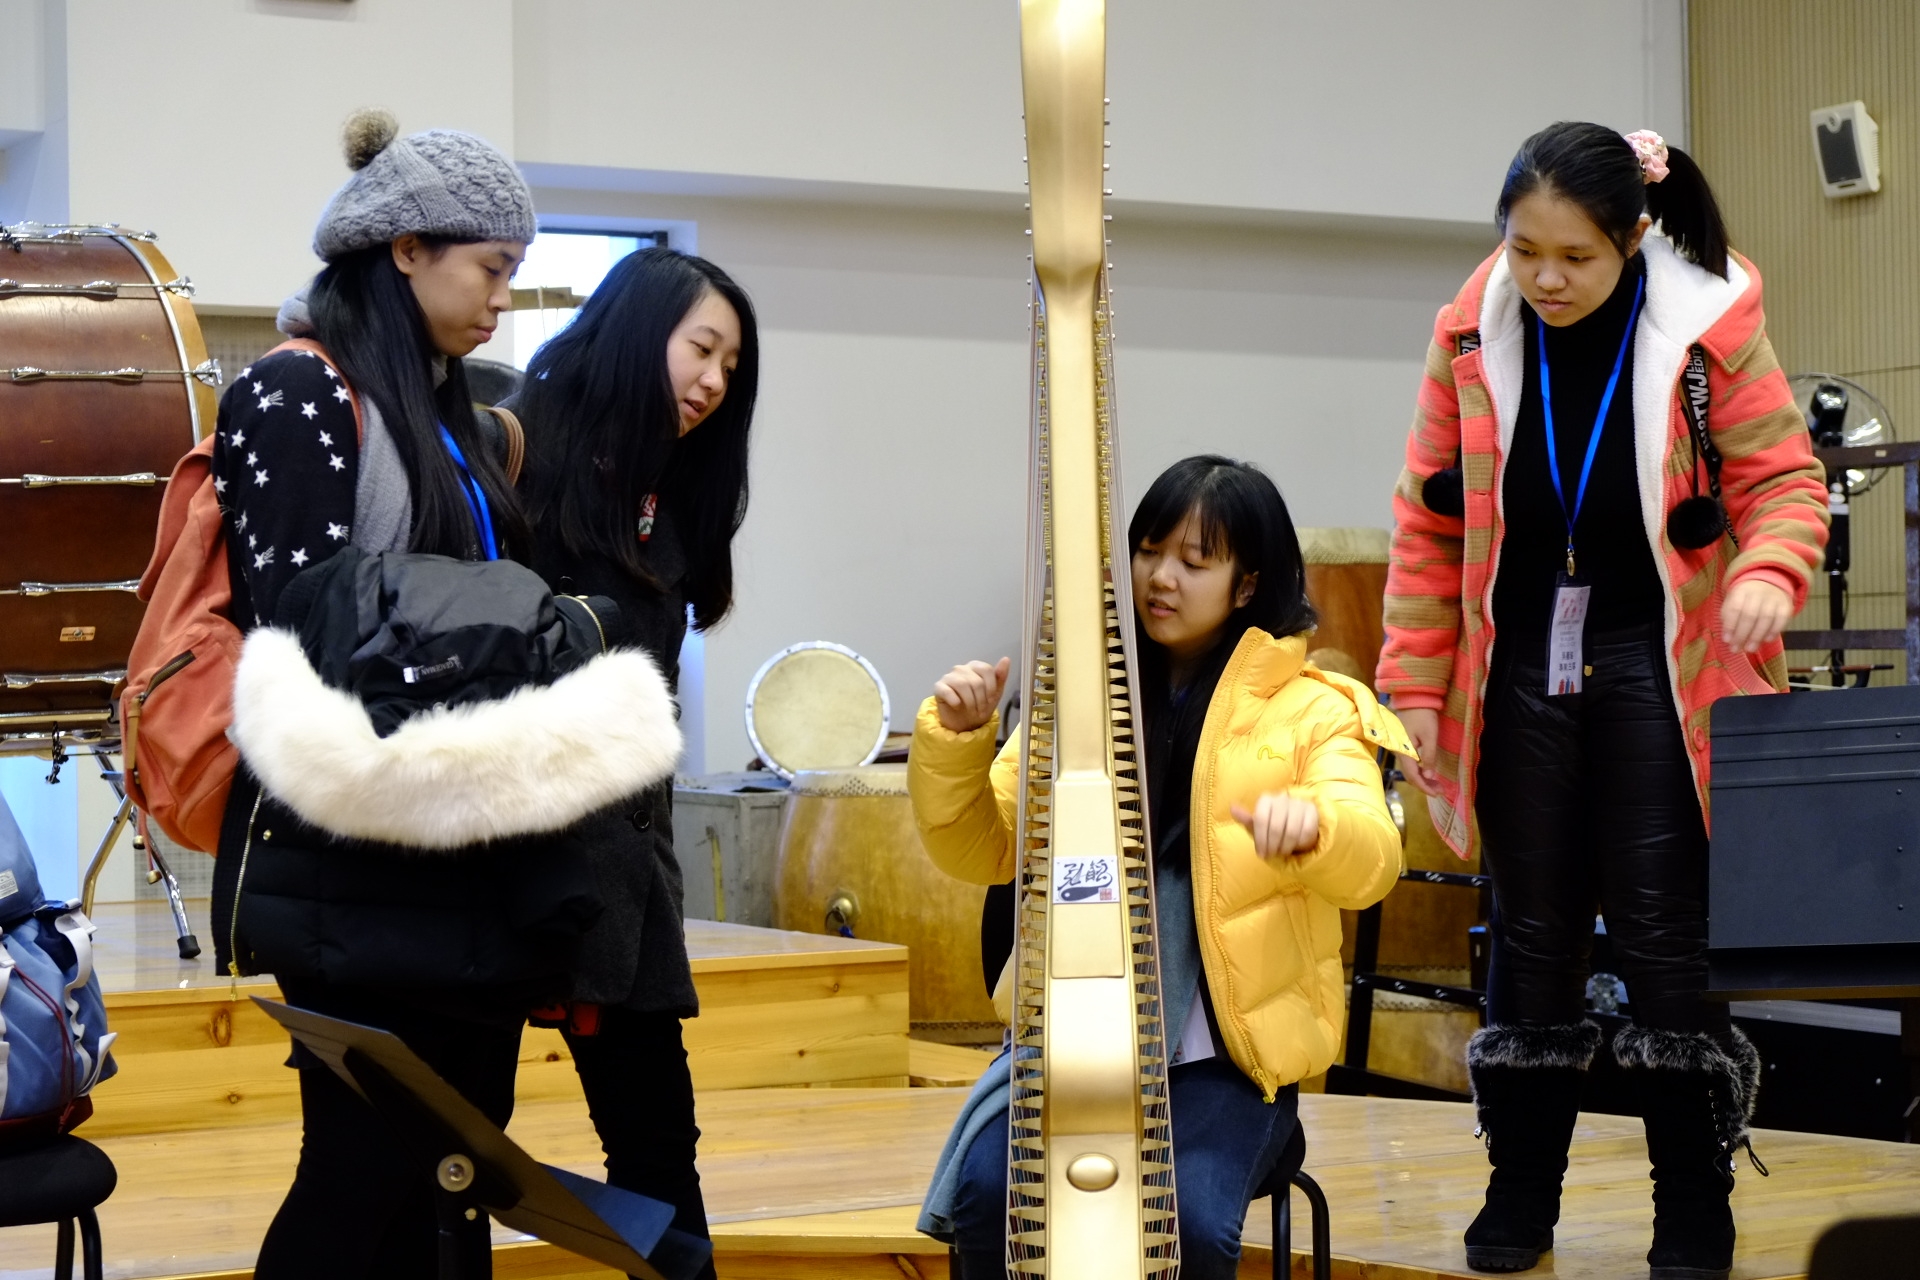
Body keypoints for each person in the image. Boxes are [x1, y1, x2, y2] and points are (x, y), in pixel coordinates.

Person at [209, 112, 682, 1278]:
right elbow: (305, 615)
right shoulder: (293, 390)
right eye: (492, 268)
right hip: (350, 847)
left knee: (451, 1175)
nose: (503, 300)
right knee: (360, 1175)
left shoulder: (452, 413)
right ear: (406, 248)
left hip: (460, 845)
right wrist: (531, 626)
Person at [1377, 123, 1828, 1279]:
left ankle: (1695, 1202)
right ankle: (1521, 1189)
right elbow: (1428, 524)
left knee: (1664, 936)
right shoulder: (1467, 333)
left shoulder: (1706, 323)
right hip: (1520, 649)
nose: (1545, 278)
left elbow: (1785, 478)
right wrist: (1413, 687)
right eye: (1523, 250)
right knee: (1528, 936)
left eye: (1574, 256)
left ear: (1632, 238)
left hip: (1658, 650)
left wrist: (1771, 570)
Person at [911, 455, 1411, 1279]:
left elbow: (1373, 862)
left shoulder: (1316, 709)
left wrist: (1317, 831)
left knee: (1185, 1222)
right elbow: (982, 848)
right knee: (991, 1196)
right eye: (1148, 551)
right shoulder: (1077, 699)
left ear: (1247, 585)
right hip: (1076, 1048)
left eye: (1194, 560)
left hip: (1229, 1067)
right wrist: (957, 743)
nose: (1161, 578)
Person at [512, 246, 759, 1279]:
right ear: (637, 330)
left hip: (625, 869)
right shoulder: (517, 453)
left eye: (731, 366)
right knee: (445, 1152)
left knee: (659, 1153)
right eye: (701, 349)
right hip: (506, 868)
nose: (715, 380)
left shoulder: (667, 492)